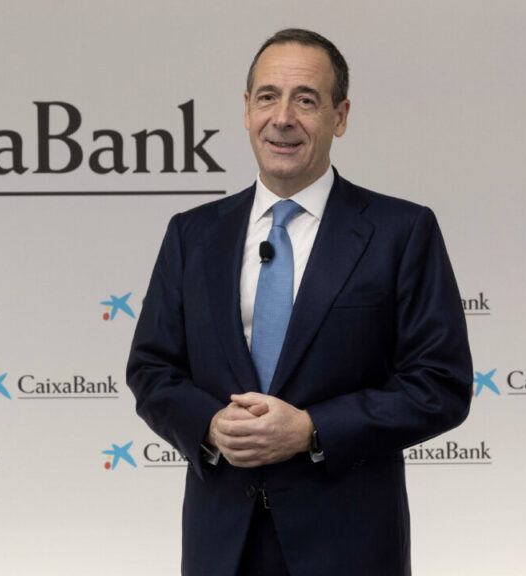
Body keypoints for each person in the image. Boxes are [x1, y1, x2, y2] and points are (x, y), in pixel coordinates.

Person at [126, 28, 472, 576]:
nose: (283, 118)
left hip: (349, 548)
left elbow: (439, 385)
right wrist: (210, 426)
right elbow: (151, 369)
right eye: (268, 97)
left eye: (306, 100)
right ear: (246, 110)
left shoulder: (402, 232)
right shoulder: (191, 235)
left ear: (340, 116)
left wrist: (313, 429)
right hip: (222, 546)